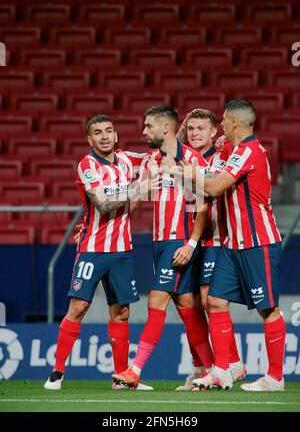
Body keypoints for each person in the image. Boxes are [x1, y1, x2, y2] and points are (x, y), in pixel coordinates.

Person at [169, 99, 285, 391]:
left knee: (267, 309)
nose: (220, 125)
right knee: (215, 301)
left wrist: (188, 174)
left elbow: (214, 186)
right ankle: (222, 370)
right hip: (232, 245)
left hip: (258, 242)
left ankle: (275, 377)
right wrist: (216, 153)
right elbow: (213, 172)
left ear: (234, 123)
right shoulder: (233, 151)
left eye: (222, 120)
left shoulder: (249, 151)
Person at [44, 114, 153, 391]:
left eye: (108, 131)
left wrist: (177, 132)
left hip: (122, 251)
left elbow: (160, 152)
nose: (104, 136)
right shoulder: (87, 166)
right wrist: (136, 191)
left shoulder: (128, 160)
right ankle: (57, 372)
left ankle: (120, 376)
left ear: (116, 135)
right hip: (93, 249)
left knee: (122, 313)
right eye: (97, 132)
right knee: (78, 308)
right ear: (89, 139)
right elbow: (103, 206)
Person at [112, 105, 215, 389]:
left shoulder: (191, 159)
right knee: (187, 306)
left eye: (148, 126)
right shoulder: (151, 161)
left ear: (165, 128)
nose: (143, 132)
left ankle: (135, 370)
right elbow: (136, 199)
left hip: (178, 242)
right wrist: (106, 223)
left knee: (156, 301)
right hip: (158, 242)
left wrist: (191, 244)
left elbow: (202, 206)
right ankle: (213, 368)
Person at [174, 108, 246, 390]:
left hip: (213, 239)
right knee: (188, 304)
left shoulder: (222, 156)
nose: (194, 134)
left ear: (214, 131)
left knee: (209, 300)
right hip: (186, 238)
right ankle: (204, 366)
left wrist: (224, 143)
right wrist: (183, 124)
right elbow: (165, 142)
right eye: (191, 129)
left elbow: (208, 197)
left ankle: (229, 364)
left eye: (201, 128)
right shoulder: (183, 157)